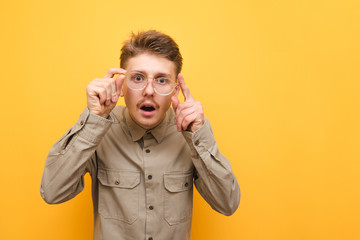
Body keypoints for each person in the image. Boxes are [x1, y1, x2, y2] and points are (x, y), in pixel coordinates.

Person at [40, 30, 240, 240]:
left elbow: (227, 203)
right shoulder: (99, 128)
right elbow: (53, 192)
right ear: (121, 85)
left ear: (175, 90)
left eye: (162, 80)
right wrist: (92, 119)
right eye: (137, 78)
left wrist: (199, 135)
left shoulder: (190, 132)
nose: (149, 91)